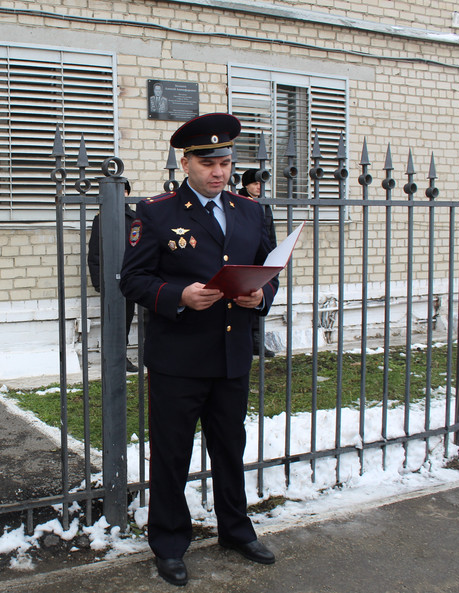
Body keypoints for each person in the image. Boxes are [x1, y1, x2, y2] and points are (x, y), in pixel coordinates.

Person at [120, 113, 278, 586]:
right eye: (208, 162)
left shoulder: (251, 211)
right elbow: (133, 279)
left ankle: (235, 529)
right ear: (185, 163)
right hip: (179, 360)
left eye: (226, 162)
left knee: (230, 447)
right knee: (172, 453)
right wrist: (178, 296)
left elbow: (269, 269)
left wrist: (260, 297)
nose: (219, 172)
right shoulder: (156, 212)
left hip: (231, 354)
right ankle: (169, 542)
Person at [87, 178, 139, 372]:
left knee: (125, 320)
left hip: (131, 278)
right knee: (112, 320)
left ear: (127, 194)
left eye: (124, 192)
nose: (121, 195)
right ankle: (111, 359)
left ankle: (121, 357)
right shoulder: (101, 218)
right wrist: (98, 281)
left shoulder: (135, 219)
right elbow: (95, 251)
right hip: (110, 279)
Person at [239, 168, 277, 358]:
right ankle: (247, 340)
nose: (259, 187)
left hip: (263, 259)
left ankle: (257, 339)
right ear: (245, 185)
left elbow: (270, 233)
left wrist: (273, 255)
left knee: (259, 298)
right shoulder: (239, 202)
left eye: (261, 183)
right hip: (245, 259)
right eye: (255, 183)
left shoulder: (264, 205)